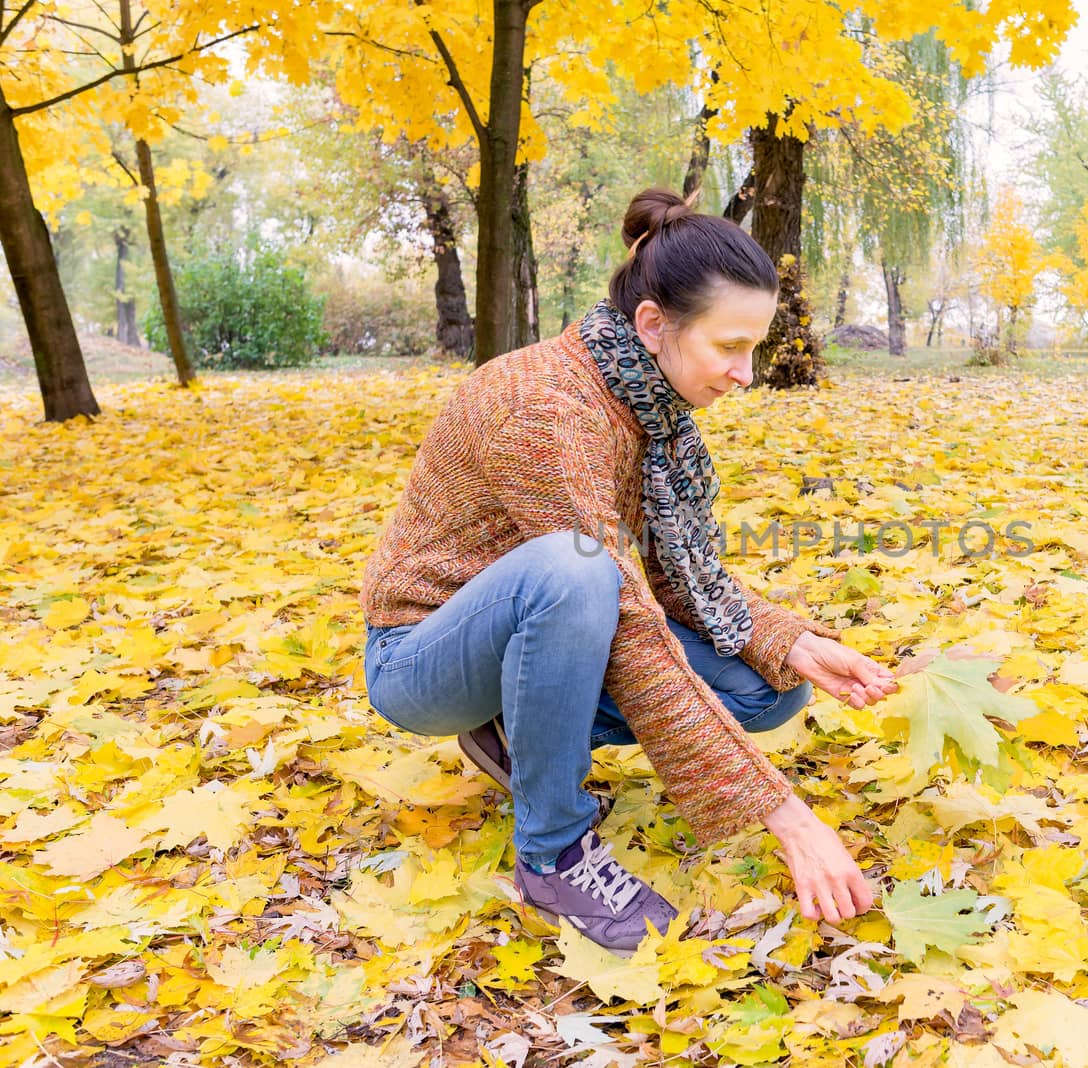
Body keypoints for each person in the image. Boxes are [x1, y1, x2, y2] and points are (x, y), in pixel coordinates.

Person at [359, 186, 899, 954]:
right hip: (420, 657)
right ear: (653, 324)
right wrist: (786, 815)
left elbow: (670, 576)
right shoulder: (544, 409)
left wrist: (790, 641)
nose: (746, 374)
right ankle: (552, 853)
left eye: (755, 347)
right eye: (730, 347)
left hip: (543, 629)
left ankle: (518, 726)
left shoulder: (649, 405)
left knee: (766, 687)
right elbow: (627, 614)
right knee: (575, 569)